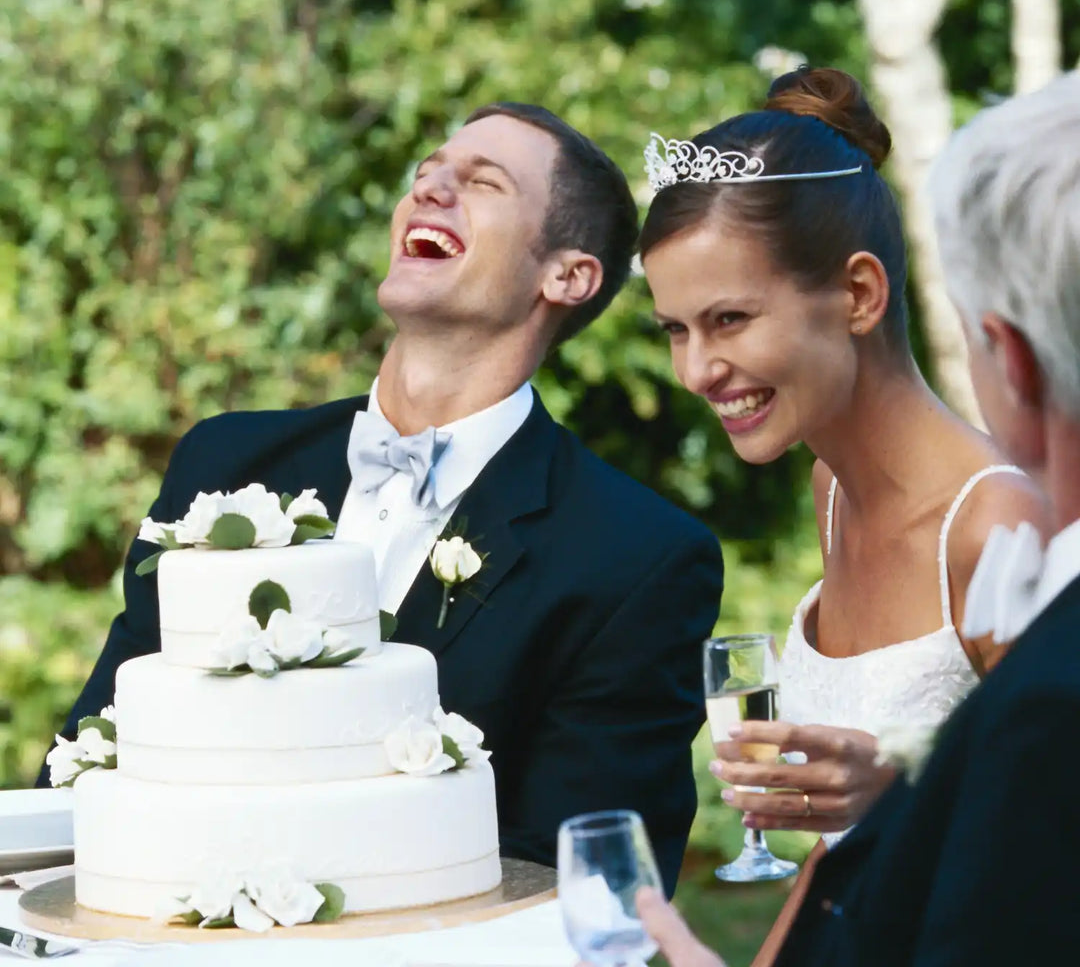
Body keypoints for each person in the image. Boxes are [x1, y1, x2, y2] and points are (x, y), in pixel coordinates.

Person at [45, 103, 724, 893]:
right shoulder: (226, 462)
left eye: (482, 182)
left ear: (567, 275)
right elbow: (94, 750)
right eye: (427, 172)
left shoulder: (635, 558)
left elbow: (576, 878)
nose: (430, 188)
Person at [637, 70, 1080, 965]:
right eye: (675, 330)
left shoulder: (997, 528)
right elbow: (840, 863)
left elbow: (1038, 864)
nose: (696, 370)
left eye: (728, 319)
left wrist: (896, 798)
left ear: (859, 295)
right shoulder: (832, 489)